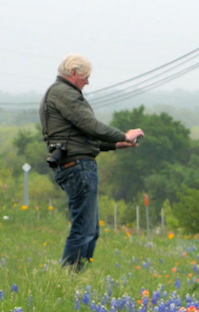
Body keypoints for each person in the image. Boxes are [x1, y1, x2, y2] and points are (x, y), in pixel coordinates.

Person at [40, 54, 144, 270]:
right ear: (73, 73)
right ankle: (69, 279)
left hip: (76, 164)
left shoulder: (61, 93)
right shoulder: (65, 93)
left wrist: (115, 145)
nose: (87, 82)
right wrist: (123, 136)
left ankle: (78, 276)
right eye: (85, 77)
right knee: (83, 229)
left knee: (91, 230)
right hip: (77, 167)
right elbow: (90, 126)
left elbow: (80, 138)